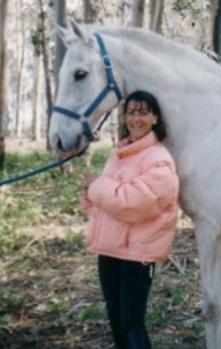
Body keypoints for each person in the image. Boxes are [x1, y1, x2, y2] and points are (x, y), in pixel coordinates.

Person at [79, 90, 179, 349]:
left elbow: (134, 204)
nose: (136, 118)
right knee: (115, 318)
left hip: (137, 255)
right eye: (131, 112)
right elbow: (105, 206)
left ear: (155, 118)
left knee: (132, 323)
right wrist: (90, 196)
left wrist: (97, 188)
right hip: (110, 250)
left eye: (143, 112)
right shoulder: (119, 153)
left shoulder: (160, 160)